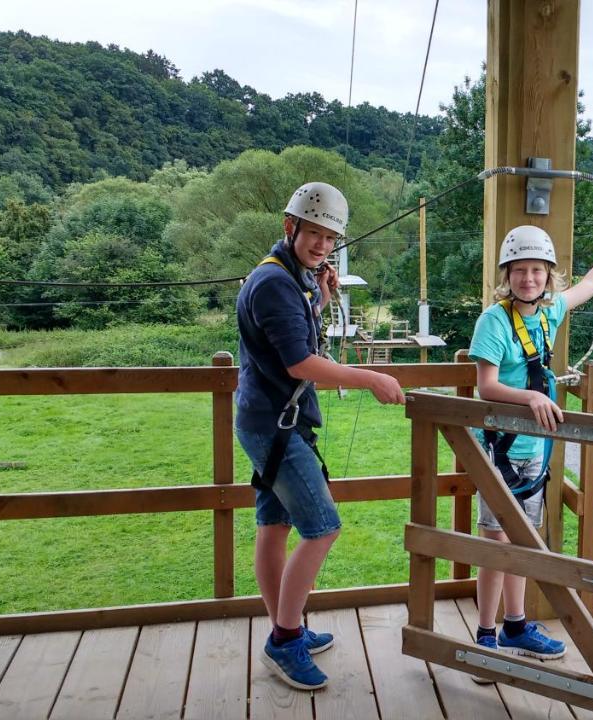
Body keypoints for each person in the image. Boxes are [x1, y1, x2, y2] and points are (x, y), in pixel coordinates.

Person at [235, 181, 405, 690]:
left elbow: (291, 335)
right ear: (291, 227)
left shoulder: (291, 277)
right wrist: (371, 377)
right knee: (322, 527)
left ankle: (284, 628)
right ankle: (285, 640)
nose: (323, 246)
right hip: (276, 426)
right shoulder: (275, 284)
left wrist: (321, 297)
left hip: (269, 419)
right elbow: (300, 361)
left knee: (275, 524)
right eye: (315, 234)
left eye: (331, 238)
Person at [467, 220, 593, 668]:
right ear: (507, 276)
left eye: (537, 270)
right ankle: (486, 634)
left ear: (548, 275)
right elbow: (486, 385)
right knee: (495, 543)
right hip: (499, 451)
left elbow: (592, 283)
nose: (529, 278)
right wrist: (530, 395)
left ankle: (515, 625)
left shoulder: (549, 312)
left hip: (531, 453)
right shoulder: (493, 321)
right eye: (520, 270)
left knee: (524, 544)